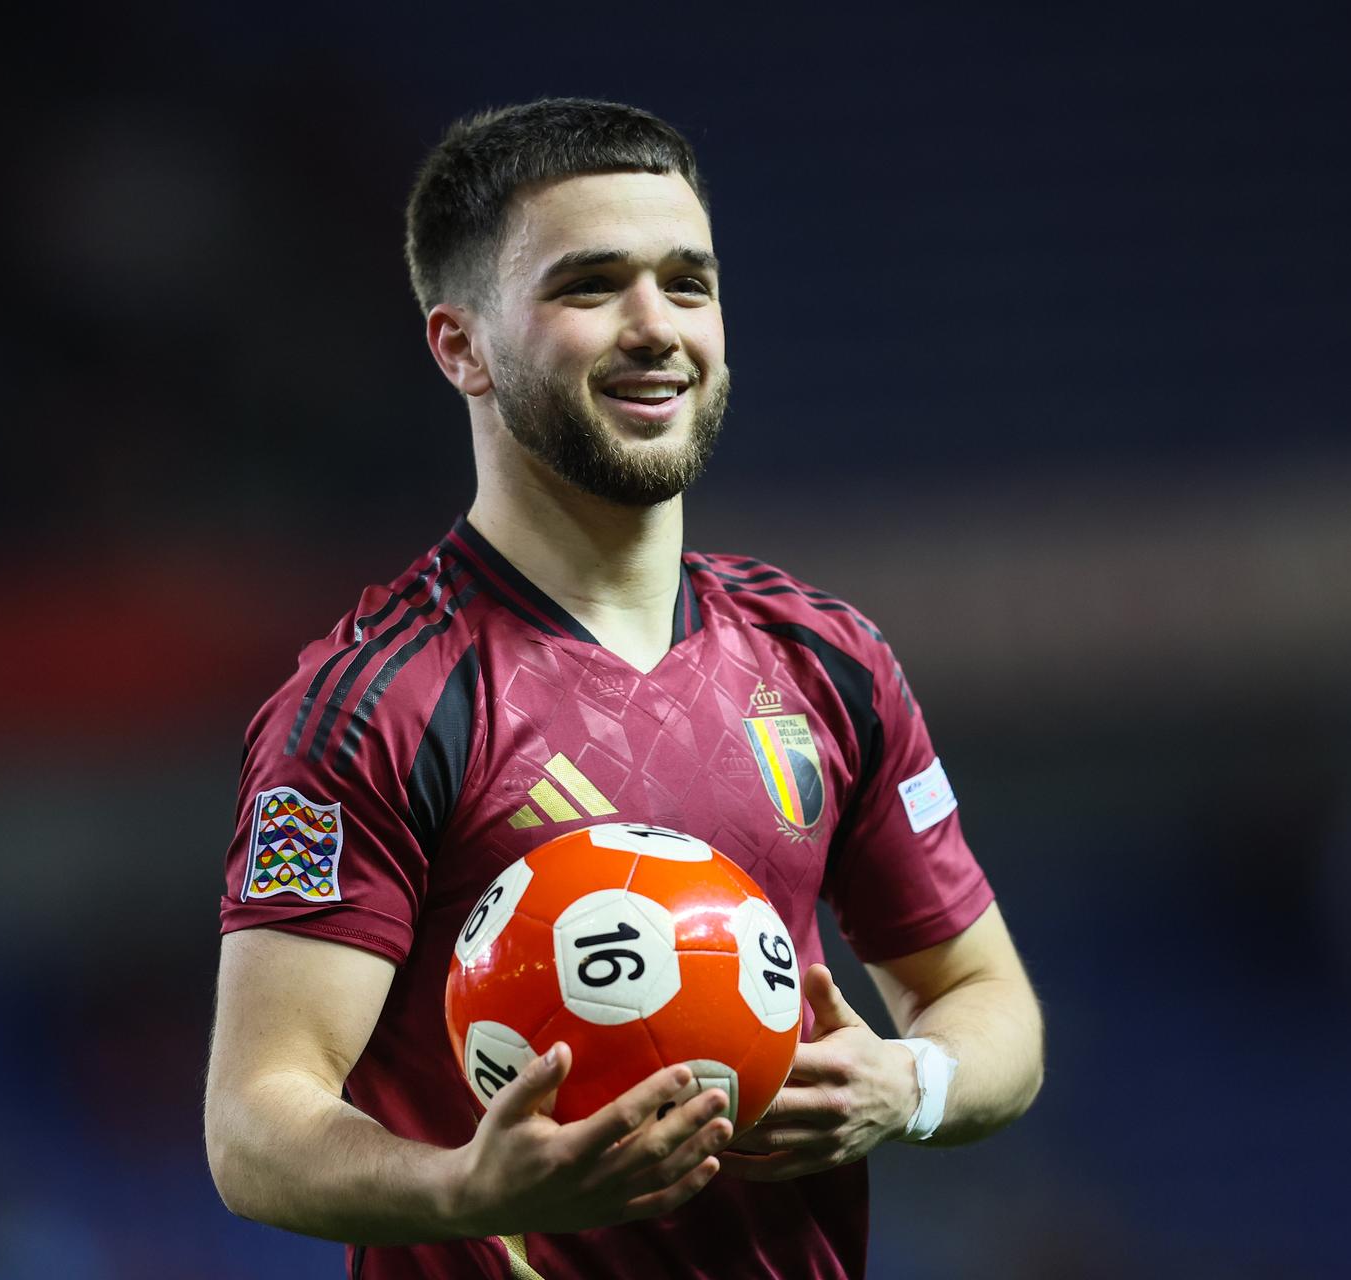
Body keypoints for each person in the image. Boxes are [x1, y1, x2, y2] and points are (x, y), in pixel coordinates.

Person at [203, 98, 1044, 1279]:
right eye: (591, 286)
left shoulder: (826, 660)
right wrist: (460, 1187)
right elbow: (254, 1127)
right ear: (462, 347)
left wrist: (913, 1082)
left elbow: (983, 998)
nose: (657, 326)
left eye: (687, 282)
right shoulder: (376, 706)